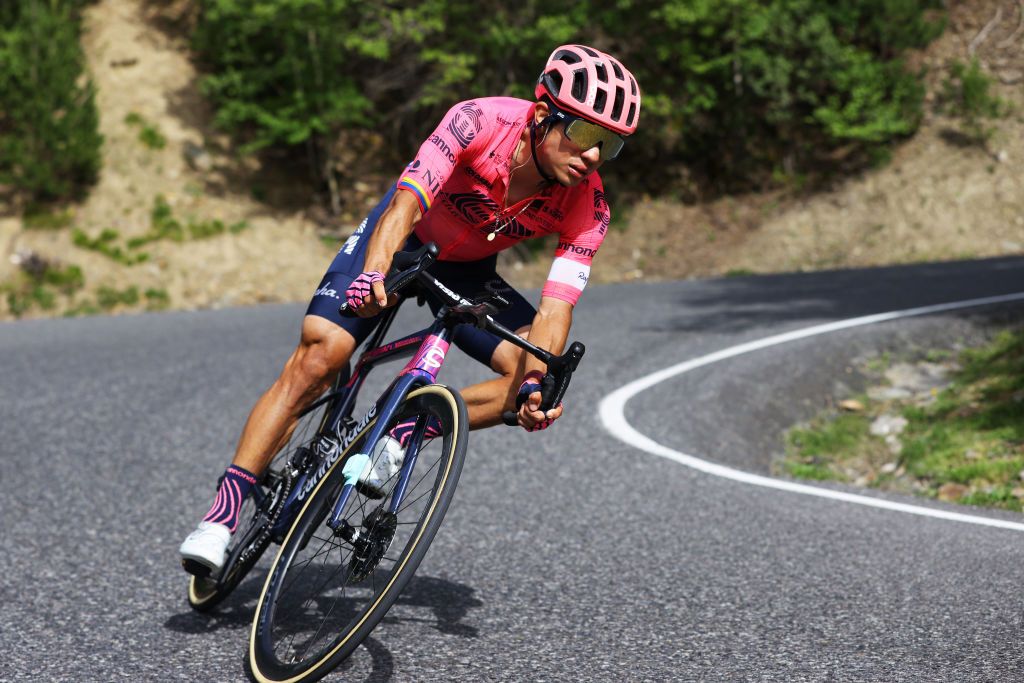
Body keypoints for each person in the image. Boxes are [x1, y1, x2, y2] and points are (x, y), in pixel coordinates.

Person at [180, 44, 641, 573]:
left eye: (611, 145)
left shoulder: (591, 203)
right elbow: (406, 204)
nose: (593, 156)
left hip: (468, 270)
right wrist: (376, 271)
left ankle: (408, 426)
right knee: (320, 355)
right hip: (402, 241)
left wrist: (536, 384)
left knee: (531, 378)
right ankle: (222, 514)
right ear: (541, 117)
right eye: (584, 134)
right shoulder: (479, 121)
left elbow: (556, 308)